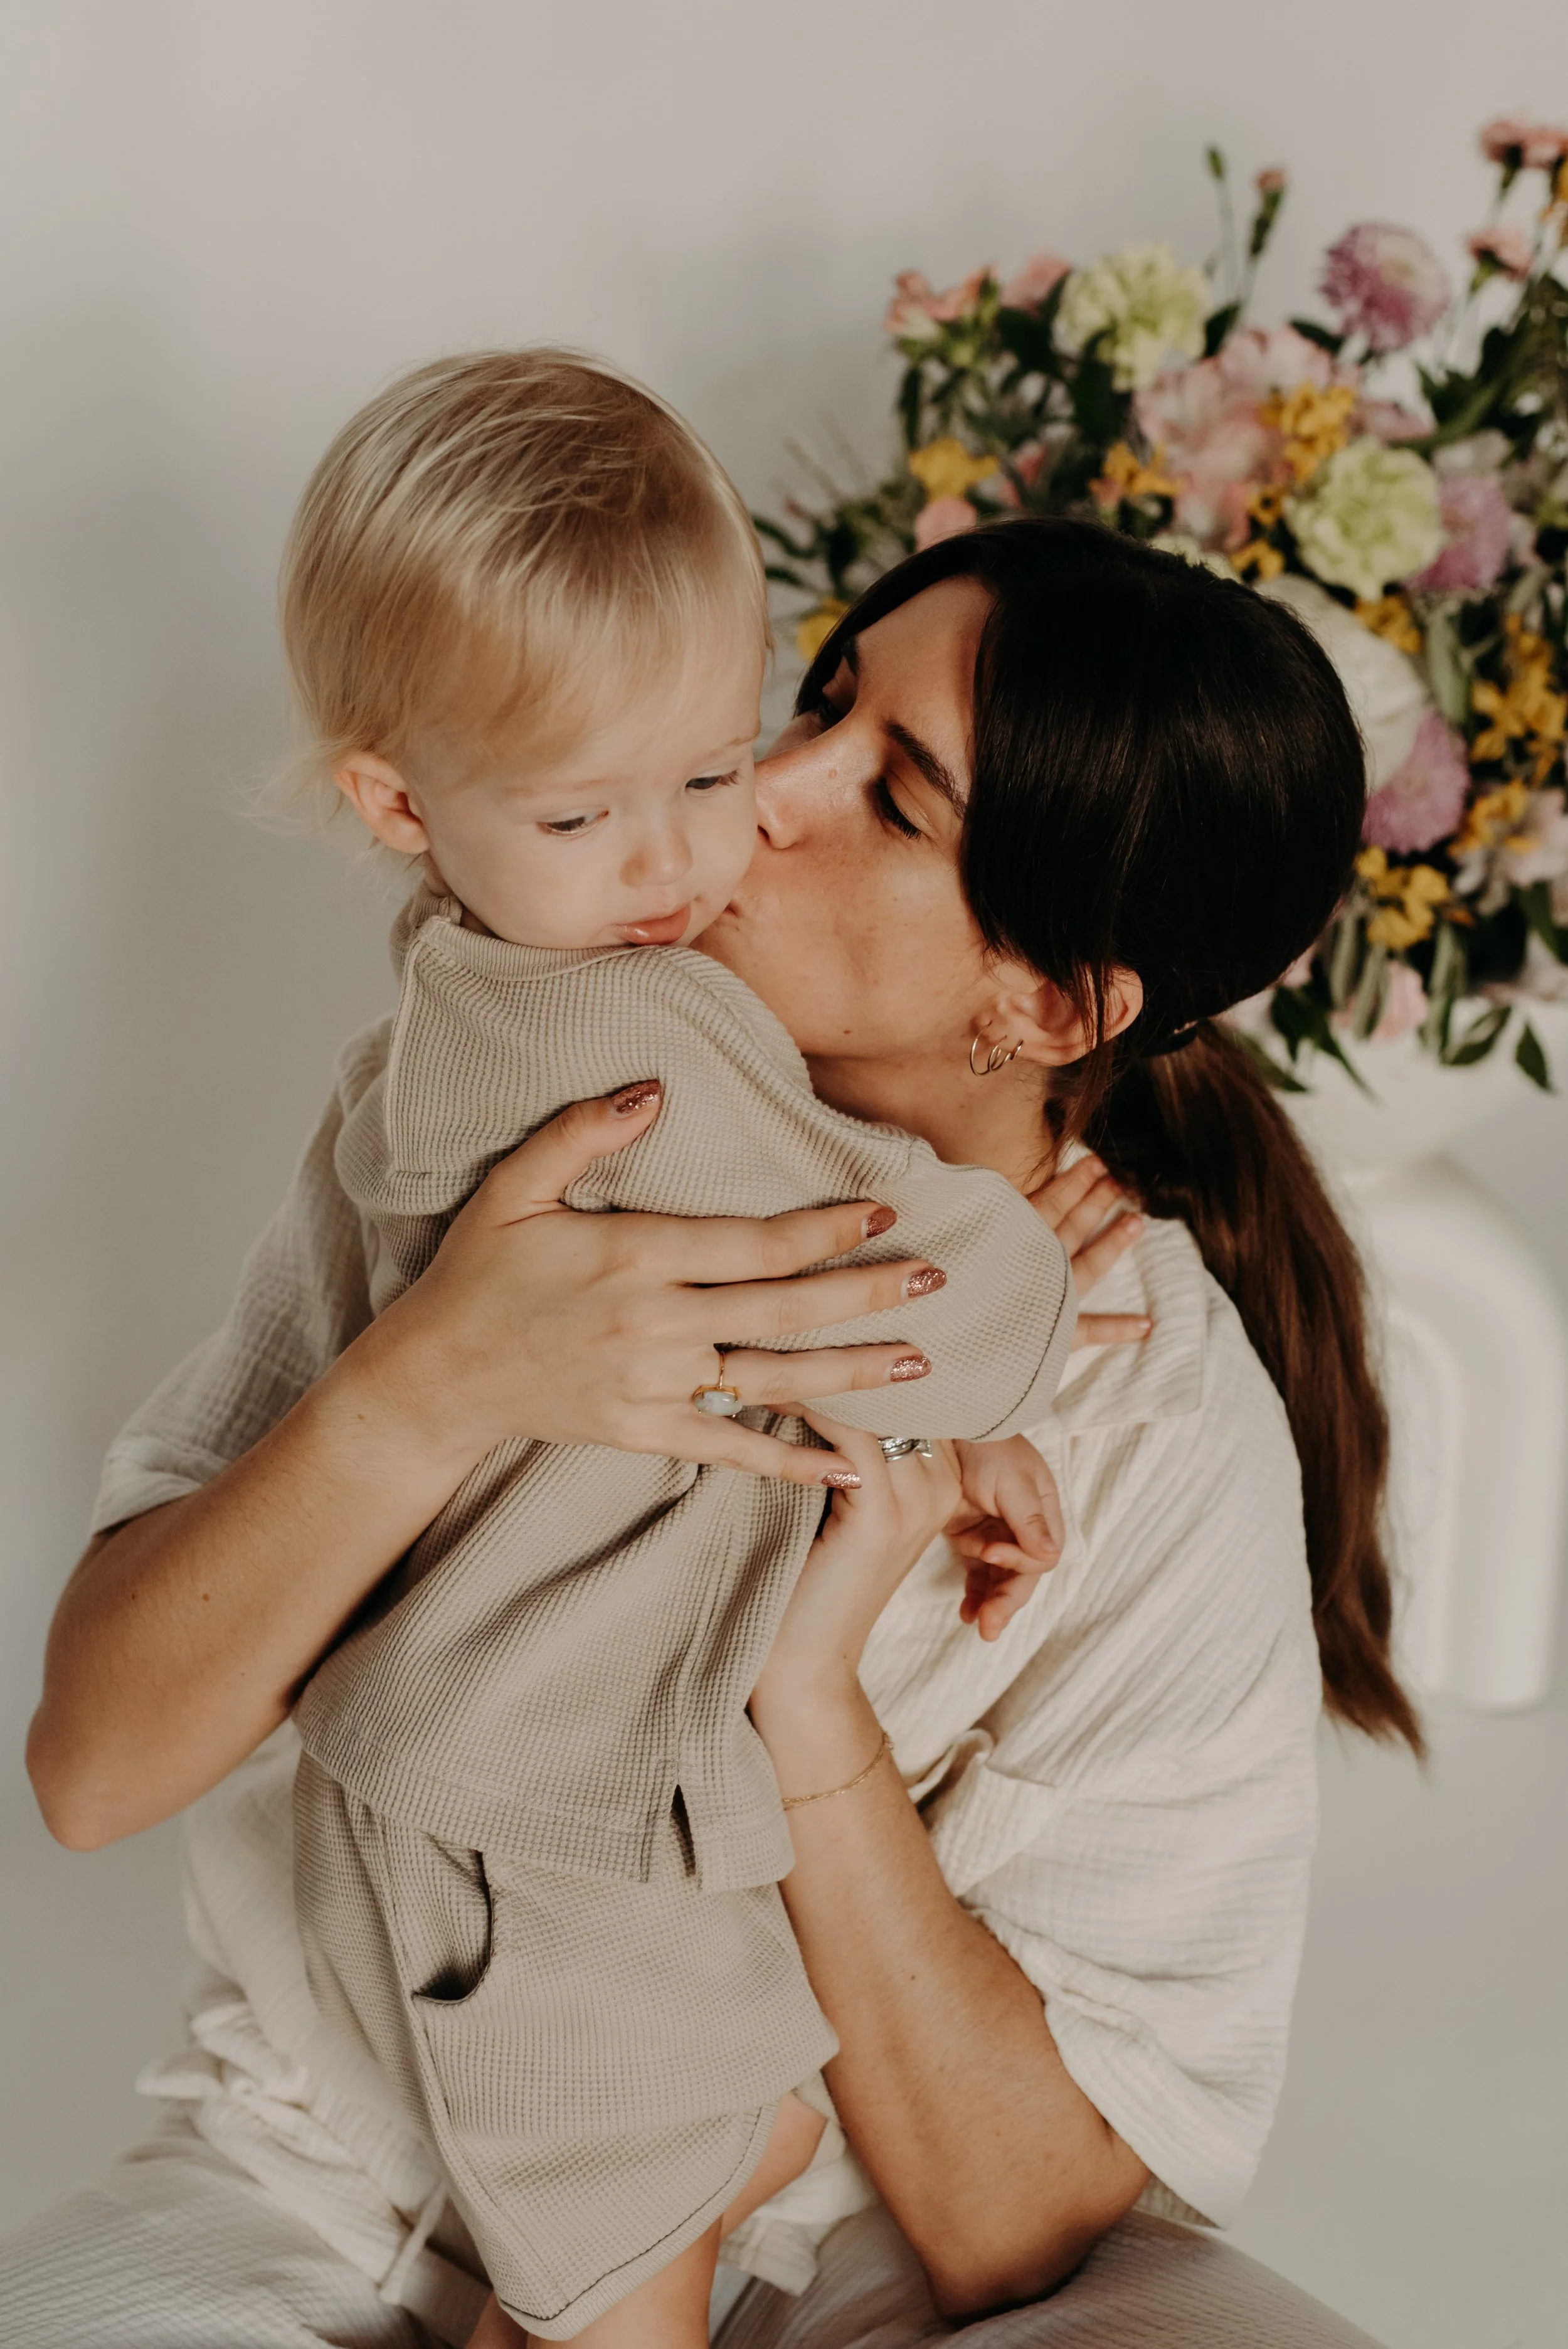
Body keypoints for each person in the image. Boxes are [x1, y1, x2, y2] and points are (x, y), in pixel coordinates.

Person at [16, 515, 1413, 2349]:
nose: (766, 787)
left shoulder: (1132, 1393)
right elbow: (91, 1771)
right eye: (817, 700)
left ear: (1047, 1003)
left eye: (890, 798)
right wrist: (437, 1375)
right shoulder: (503, 1137)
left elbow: (1033, 2226)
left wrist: (804, 1700)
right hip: (328, 2181)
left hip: (832, 2250)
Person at [265, 348, 1074, 2345]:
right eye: (583, 812)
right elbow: (883, 1290)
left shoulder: (497, 982)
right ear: (395, 802)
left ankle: (706, 2165)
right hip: (533, 1826)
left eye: (710, 774)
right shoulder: (596, 1039)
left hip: (537, 1801)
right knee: (612, 2293)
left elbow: (737, 1346)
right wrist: (1022, 1265)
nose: (674, 867)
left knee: (632, 2229)